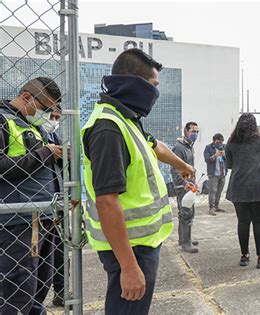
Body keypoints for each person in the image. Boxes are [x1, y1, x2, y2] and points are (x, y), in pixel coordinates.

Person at [81, 48, 194, 315]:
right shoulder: (108, 128)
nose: (155, 94)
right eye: (153, 86)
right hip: (128, 248)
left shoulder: (126, 118)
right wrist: (130, 268)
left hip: (140, 243)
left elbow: (154, 146)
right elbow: (107, 202)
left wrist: (182, 165)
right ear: (134, 83)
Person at [0, 77, 63, 314]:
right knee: (17, 292)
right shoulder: (3, 121)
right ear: (26, 97)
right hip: (17, 221)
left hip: (42, 217)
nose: (48, 116)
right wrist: (45, 154)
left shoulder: (32, 126)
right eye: (46, 109)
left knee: (37, 290)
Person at [225, 113, 260, 269]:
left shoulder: (231, 143)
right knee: (259, 222)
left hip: (238, 187)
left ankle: (244, 256)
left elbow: (230, 165)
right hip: (258, 186)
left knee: (243, 221)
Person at [43, 106, 70, 307]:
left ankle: (61, 290)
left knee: (60, 251)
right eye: (51, 116)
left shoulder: (57, 138)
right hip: (39, 205)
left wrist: (65, 158)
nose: (53, 120)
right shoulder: (34, 135)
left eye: (57, 117)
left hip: (57, 204)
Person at [171, 122, 200, 253]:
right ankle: (185, 243)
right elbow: (174, 169)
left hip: (189, 185)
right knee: (186, 213)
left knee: (188, 212)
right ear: (185, 131)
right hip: (182, 186)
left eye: (197, 132)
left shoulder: (189, 147)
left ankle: (183, 239)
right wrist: (184, 184)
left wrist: (193, 180)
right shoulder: (179, 148)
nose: (195, 134)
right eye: (193, 131)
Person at [203, 133, 227, 216]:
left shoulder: (224, 147)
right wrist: (215, 155)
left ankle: (217, 206)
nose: (220, 144)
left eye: (221, 142)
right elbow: (207, 160)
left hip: (222, 173)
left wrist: (224, 155)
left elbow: (229, 159)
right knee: (213, 191)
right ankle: (211, 208)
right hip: (213, 173)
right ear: (214, 141)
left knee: (219, 191)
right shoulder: (208, 148)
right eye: (218, 142)